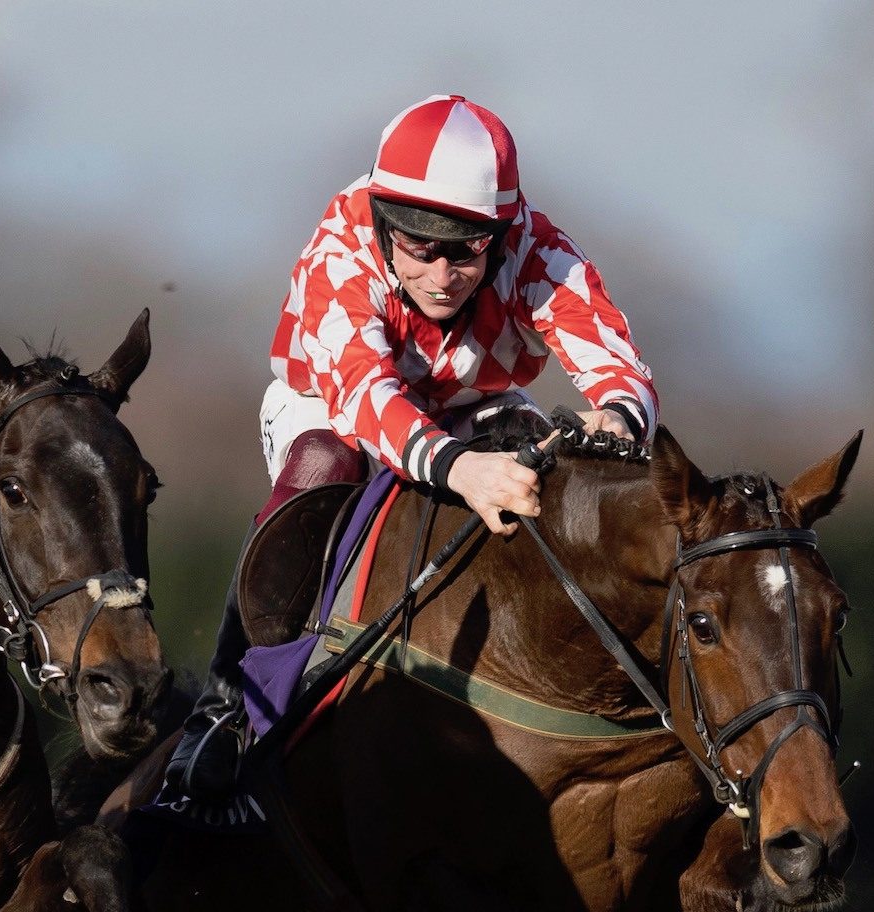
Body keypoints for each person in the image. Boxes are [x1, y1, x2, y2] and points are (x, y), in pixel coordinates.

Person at [166, 93, 660, 800]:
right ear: (382, 221)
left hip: (467, 406)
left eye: (466, 250)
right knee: (325, 464)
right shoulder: (341, 249)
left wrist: (618, 417)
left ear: (502, 232)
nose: (441, 274)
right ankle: (220, 708)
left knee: (551, 464)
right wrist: (461, 470)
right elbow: (367, 398)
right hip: (330, 405)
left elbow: (617, 361)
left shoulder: (534, 246)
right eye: (419, 245)